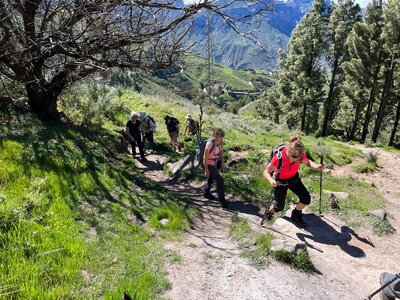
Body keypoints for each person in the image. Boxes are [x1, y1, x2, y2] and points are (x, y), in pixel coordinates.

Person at [263, 135, 324, 228]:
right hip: (280, 182)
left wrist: (316, 166)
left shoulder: (299, 155)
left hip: (294, 179)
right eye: (294, 157)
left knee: (306, 199)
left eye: (298, 158)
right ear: (288, 151)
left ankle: (296, 214)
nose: (297, 159)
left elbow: (307, 163)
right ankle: (269, 212)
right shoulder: (279, 158)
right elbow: (266, 171)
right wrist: (271, 180)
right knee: (279, 207)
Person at [203, 128, 228, 208]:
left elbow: (221, 153)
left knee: (210, 178)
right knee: (220, 180)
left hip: (214, 163)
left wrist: (222, 164)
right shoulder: (209, 144)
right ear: (216, 137)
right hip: (208, 164)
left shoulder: (220, 143)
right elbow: (205, 158)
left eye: (223, 137)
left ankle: (206, 193)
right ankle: (222, 201)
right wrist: (206, 170)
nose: (222, 139)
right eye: (221, 138)